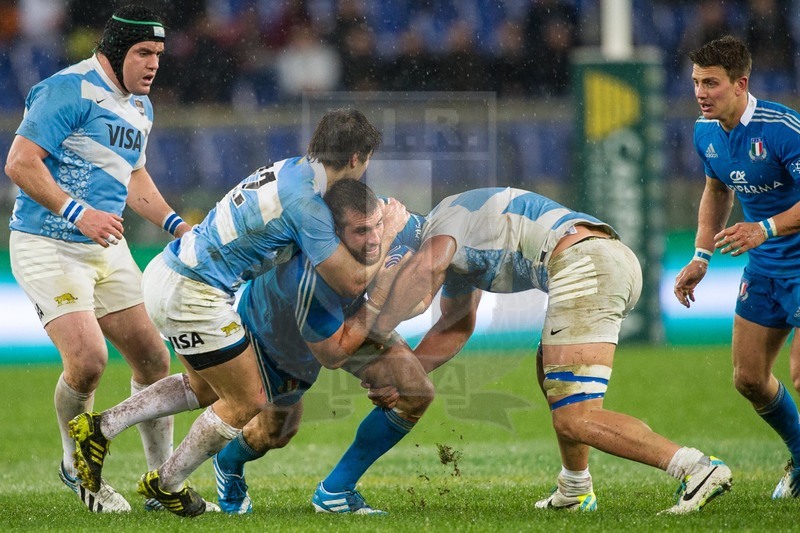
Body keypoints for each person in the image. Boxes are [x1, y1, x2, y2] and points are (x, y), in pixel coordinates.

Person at [68, 108, 409, 517]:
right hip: (195, 292)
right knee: (248, 399)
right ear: (356, 158)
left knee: (205, 388)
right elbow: (351, 282)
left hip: (168, 272)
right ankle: (168, 483)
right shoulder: (308, 205)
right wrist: (388, 234)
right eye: (367, 160)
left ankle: (100, 428)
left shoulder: (291, 171)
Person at [370, 186, 733, 514]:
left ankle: (696, 467)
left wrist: (371, 324)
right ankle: (575, 488)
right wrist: (407, 374)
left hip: (585, 265)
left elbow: (420, 274)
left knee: (575, 416)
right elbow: (455, 326)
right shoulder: (449, 243)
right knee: (550, 374)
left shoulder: (439, 231)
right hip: (596, 258)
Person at [3, 4, 191, 513]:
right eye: (144, 53)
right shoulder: (67, 89)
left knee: (154, 358)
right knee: (88, 362)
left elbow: (132, 175)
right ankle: (76, 466)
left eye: (159, 54)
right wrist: (77, 211)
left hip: (105, 248)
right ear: (114, 50)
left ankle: (163, 483)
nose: (154, 63)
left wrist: (176, 225)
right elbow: (20, 162)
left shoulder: (140, 107)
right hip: (48, 243)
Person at [213, 178, 433, 515]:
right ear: (334, 233)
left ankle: (336, 491)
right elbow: (333, 354)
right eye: (361, 232)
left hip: (346, 319)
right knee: (278, 431)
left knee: (415, 390)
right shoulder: (310, 271)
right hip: (279, 336)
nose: (374, 239)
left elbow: (439, 248)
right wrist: (380, 294)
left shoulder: (395, 221)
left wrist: (418, 294)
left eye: (377, 226)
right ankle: (227, 462)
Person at [674, 35, 800, 500]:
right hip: (764, 269)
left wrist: (764, 229)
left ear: (740, 83)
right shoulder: (704, 132)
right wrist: (701, 255)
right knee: (748, 378)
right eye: (695, 83)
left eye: (711, 83)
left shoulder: (784, 128)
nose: (701, 93)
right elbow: (717, 189)